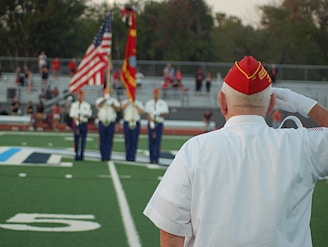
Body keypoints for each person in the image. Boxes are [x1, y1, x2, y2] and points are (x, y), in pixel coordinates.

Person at [143, 56, 328, 246]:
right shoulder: (301, 145)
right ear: (272, 104)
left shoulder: (194, 150)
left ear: (222, 102)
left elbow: (170, 235)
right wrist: (306, 105)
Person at [95, 87, 120, 161]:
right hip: (102, 121)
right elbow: (99, 105)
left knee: (109, 139)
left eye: (109, 92)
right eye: (106, 92)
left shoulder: (114, 100)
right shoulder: (100, 99)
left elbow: (118, 109)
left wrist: (112, 104)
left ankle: (108, 155)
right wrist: (105, 99)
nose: (107, 93)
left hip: (110, 121)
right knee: (102, 139)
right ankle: (103, 155)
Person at [145, 88, 169, 164]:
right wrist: (150, 122)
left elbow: (165, 113)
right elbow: (147, 113)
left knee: (158, 141)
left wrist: (158, 113)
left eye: (157, 94)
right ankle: (151, 158)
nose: (156, 95)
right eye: (155, 93)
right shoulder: (149, 103)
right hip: (151, 123)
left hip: (159, 123)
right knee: (151, 141)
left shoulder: (163, 103)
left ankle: (157, 158)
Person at [69, 90, 92, 161]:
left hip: (83, 123)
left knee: (83, 139)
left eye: (81, 96)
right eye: (79, 95)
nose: (80, 97)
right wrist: (76, 122)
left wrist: (83, 113)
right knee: (76, 139)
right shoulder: (74, 105)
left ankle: (82, 154)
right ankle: (76, 153)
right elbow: (72, 114)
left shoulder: (87, 105)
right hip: (77, 123)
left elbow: (89, 114)